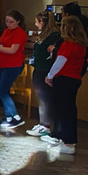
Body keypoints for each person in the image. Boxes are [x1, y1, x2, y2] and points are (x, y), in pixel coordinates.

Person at [42, 15, 88, 155]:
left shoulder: (69, 45)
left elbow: (60, 62)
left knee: (64, 111)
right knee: (69, 110)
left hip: (64, 79)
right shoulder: (81, 45)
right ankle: (67, 140)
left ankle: (68, 143)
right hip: (74, 80)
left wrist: (49, 76)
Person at [0, 9, 28, 130]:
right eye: (7, 21)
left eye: (11, 22)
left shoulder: (20, 33)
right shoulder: (6, 31)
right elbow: (4, 48)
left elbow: (13, 50)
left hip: (14, 65)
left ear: (18, 21)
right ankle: (9, 118)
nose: (9, 24)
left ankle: (16, 117)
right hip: (3, 63)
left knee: (2, 91)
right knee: (3, 90)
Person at [26, 10, 61, 138]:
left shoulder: (54, 36)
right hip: (38, 68)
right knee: (41, 98)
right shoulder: (43, 36)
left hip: (46, 70)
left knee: (46, 99)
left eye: (37, 22)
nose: (36, 24)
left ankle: (45, 125)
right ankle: (42, 123)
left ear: (43, 22)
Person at [62, 2, 88, 74]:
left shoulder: (72, 33)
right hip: (81, 64)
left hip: (70, 66)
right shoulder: (84, 29)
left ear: (67, 15)